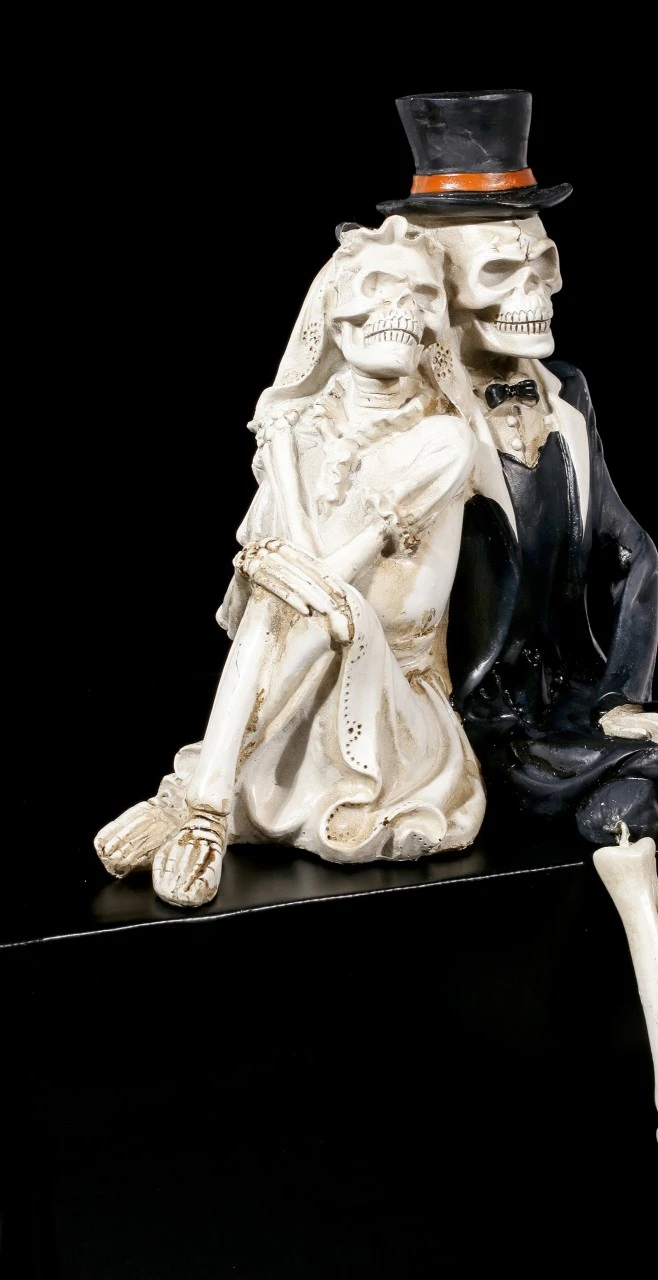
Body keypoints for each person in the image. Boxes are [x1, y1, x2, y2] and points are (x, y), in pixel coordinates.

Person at [376, 89, 658, 1193]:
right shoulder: (417, 430)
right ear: (435, 287)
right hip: (479, 724)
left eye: (543, 264)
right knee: (639, 806)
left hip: (575, 696)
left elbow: (633, 553)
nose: (539, 291)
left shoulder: (570, 398)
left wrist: (622, 697)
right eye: (502, 271)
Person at [95, 216, 485, 907]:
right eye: (376, 288)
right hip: (293, 666)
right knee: (291, 598)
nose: (400, 308)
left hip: (391, 687)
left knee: (302, 598)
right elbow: (287, 571)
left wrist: (294, 558)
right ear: (334, 320)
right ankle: (212, 803)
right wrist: (285, 484)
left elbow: (342, 576)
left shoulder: (444, 441)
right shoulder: (299, 429)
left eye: (421, 295)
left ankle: (200, 805)